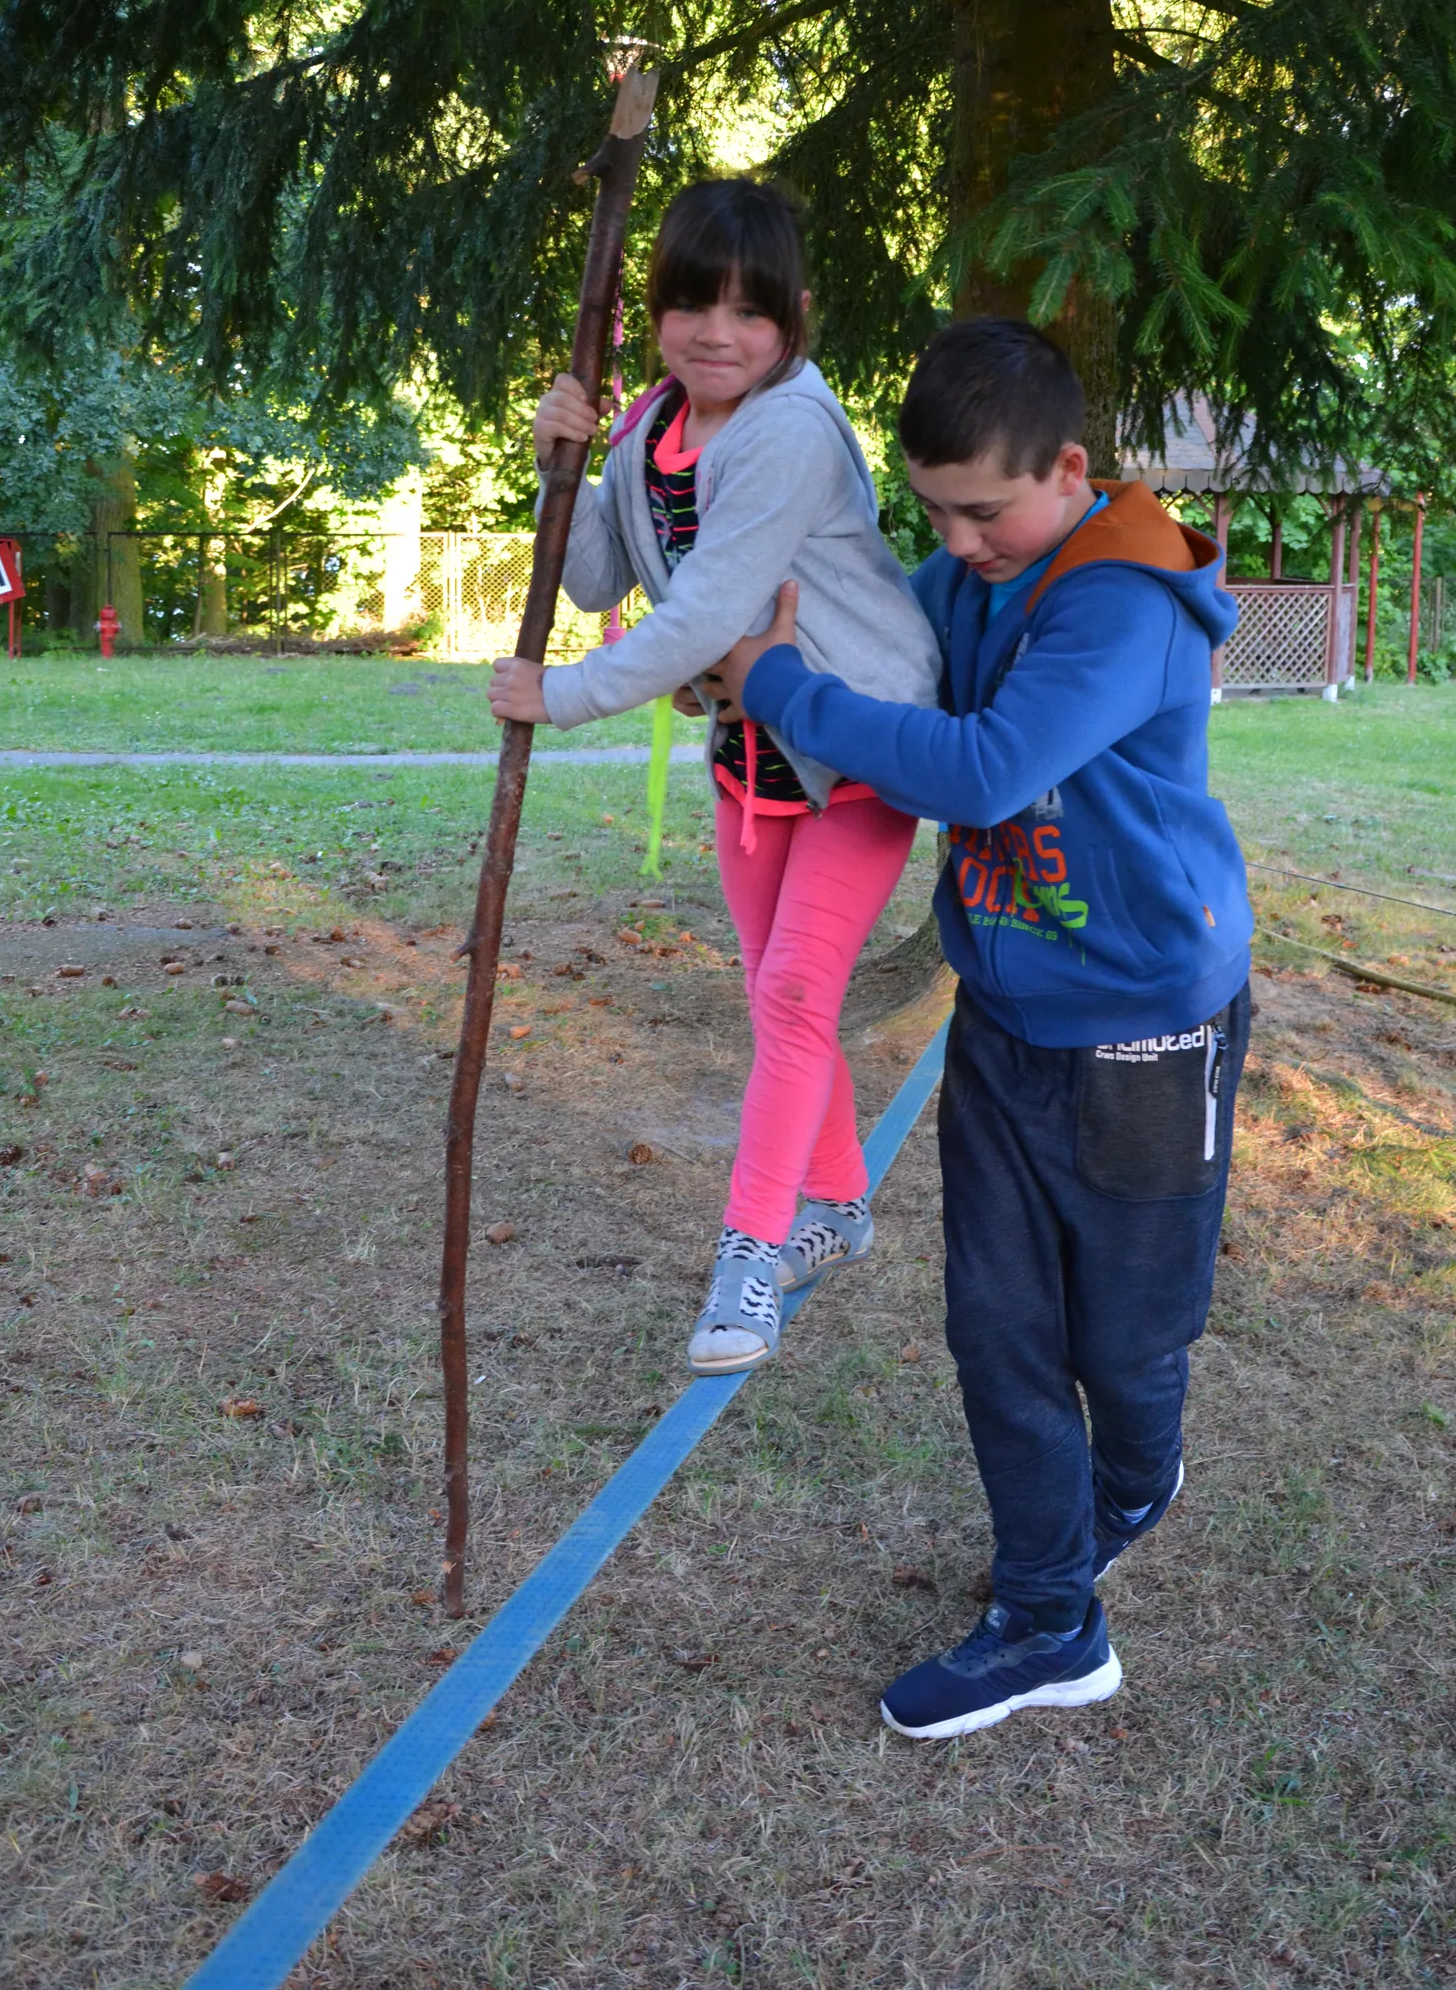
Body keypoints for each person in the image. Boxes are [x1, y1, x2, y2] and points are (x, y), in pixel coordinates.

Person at [715, 316, 1253, 1739]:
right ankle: (1045, 1619)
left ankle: (1134, 1479)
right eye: (932, 510)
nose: (954, 543)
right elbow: (864, 632)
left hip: (1143, 1026)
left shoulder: (1119, 603)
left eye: (982, 508)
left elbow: (986, 765)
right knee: (996, 1328)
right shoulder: (964, 579)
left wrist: (779, 685)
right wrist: (706, 611)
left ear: (1067, 469)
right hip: (1006, 1020)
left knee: (1125, 1340)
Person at [487, 178, 941, 1375]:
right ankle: (836, 1209)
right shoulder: (649, 428)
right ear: (658, 314)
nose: (719, 333)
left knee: (794, 996)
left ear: (792, 318)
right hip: (754, 762)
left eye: (750, 310)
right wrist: (561, 465)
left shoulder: (789, 427)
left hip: (860, 748)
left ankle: (752, 1252)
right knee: (776, 997)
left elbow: (703, 616)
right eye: (694, 304)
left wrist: (565, 697)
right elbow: (592, 578)